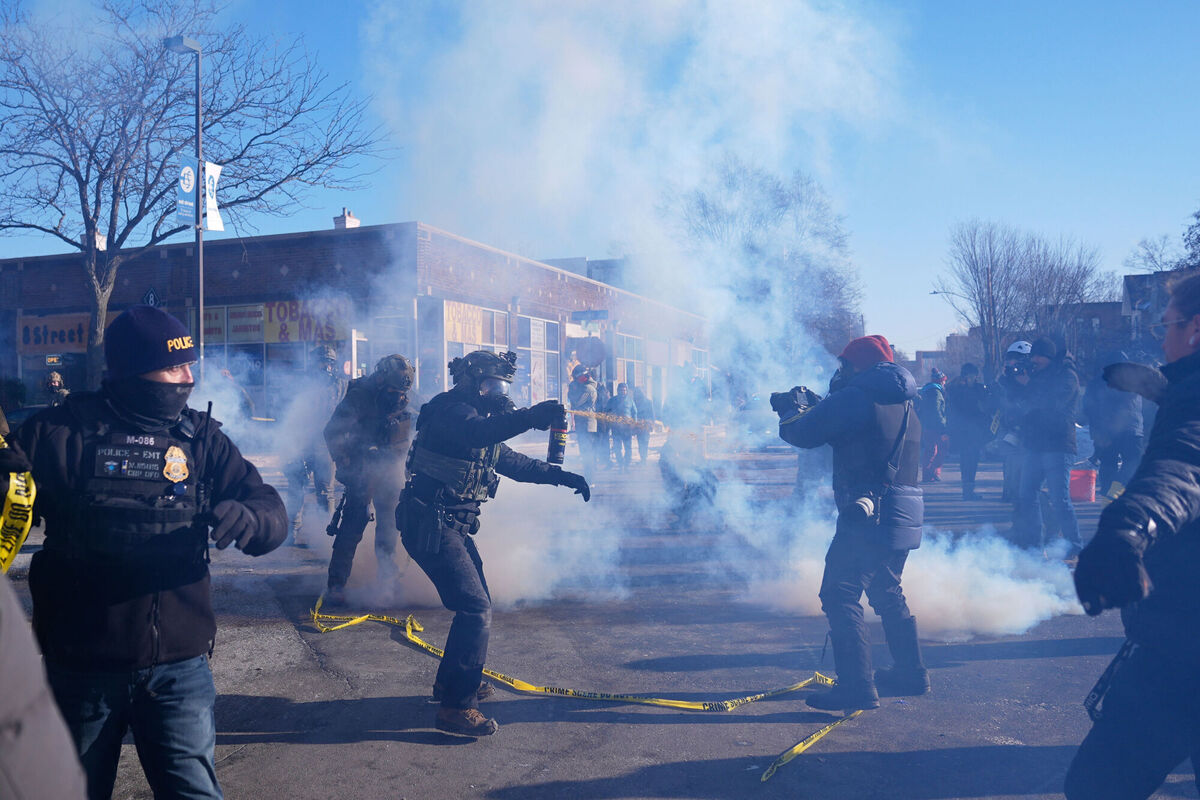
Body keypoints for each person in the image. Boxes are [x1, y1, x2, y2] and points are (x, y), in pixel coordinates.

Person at [16, 305, 287, 800]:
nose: (188, 379)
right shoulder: (56, 435)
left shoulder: (202, 440)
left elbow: (269, 508)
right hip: (81, 668)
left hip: (178, 669)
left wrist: (251, 518)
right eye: (175, 368)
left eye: (190, 367)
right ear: (134, 372)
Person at [397, 350, 590, 736]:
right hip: (432, 524)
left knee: (475, 604)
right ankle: (456, 708)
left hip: (448, 524)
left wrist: (563, 477)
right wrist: (530, 417)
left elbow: (511, 461)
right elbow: (478, 433)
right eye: (492, 385)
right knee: (474, 608)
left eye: (502, 386)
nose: (498, 393)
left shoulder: (477, 421)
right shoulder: (452, 413)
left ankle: (450, 684)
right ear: (472, 382)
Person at [1067, 272, 1200, 799]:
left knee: (1099, 787)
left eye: (1165, 325)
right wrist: (1167, 388)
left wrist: (1126, 526)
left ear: (1195, 329)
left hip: (1185, 645)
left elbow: (1187, 462)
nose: (1159, 337)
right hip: (1179, 639)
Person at [772, 334, 927, 711]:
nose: (838, 372)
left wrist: (791, 410)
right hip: (904, 514)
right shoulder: (905, 403)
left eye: (843, 365)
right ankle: (911, 672)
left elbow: (804, 434)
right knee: (887, 592)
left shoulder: (857, 396)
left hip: (868, 515)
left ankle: (856, 687)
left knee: (839, 594)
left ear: (857, 365)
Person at [323, 354, 416, 605]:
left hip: (391, 469)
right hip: (363, 470)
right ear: (381, 378)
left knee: (389, 526)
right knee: (352, 526)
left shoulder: (403, 395)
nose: (397, 396)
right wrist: (346, 463)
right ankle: (336, 585)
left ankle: (387, 581)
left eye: (400, 392)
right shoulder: (359, 397)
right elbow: (332, 431)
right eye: (392, 390)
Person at [1013, 336, 1084, 556]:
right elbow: (1024, 406)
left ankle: (1075, 546)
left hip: (1058, 444)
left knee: (1059, 499)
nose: (1034, 360)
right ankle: (1035, 544)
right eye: (1032, 356)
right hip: (1035, 444)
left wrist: (1030, 384)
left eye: (1038, 356)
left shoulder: (1067, 376)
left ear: (1049, 357)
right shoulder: (1038, 376)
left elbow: (1052, 405)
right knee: (1027, 494)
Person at [283, 344, 348, 546]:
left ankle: (325, 535)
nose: (325, 367)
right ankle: (291, 532)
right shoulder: (301, 385)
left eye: (329, 362)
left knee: (325, 492)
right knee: (296, 487)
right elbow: (290, 415)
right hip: (302, 443)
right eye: (322, 362)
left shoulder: (341, 386)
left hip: (326, 446)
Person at [1082, 350, 1145, 500]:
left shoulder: (1097, 382)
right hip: (1128, 430)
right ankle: (1114, 492)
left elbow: (1087, 407)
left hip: (1113, 431)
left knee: (1112, 465)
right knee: (1130, 463)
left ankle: (1111, 495)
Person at [947, 363, 992, 500]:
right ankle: (967, 492)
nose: (971, 378)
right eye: (968, 375)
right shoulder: (957, 389)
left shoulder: (979, 389)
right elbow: (954, 407)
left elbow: (986, 407)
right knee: (967, 461)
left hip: (975, 431)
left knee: (972, 461)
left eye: (973, 375)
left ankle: (968, 491)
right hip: (963, 431)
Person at [994, 341, 1032, 502]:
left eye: (1015, 359)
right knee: (1011, 464)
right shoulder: (1005, 380)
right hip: (1009, 430)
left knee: (1026, 471)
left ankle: (1022, 499)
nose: (1011, 363)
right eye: (1009, 359)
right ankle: (1010, 493)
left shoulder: (1033, 379)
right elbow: (1000, 402)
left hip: (1028, 431)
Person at [917, 368, 948, 482]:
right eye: (944, 380)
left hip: (926, 425)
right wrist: (942, 426)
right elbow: (937, 410)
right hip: (936, 426)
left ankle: (928, 475)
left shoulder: (927, 391)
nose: (945, 383)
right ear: (940, 381)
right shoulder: (936, 392)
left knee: (930, 450)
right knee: (942, 448)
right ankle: (933, 472)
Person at [567, 364, 599, 473]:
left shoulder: (587, 388)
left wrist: (572, 391)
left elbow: (577, 402)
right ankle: (589, 473)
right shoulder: (585, 386)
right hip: (585, 424)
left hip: (587, 425)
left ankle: (589, 475)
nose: (575, 381)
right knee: (587, 450)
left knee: (586, 451)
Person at [606, 382, 637, 469]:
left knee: (628, 448)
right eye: (621, 390)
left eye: (624, 390)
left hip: (627, 428)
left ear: (626, 391)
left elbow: (635, 413)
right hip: (616, 428)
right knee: (617, 448)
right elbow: (607, 411)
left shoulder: (630, 400)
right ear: (617, 390)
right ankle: (620, 464)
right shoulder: (612, 400)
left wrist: (634, 424)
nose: (622, 391)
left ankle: (626, 465)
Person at [632, 386, 655, 463]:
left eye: (639, 392)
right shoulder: (634, 402)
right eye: (636, 392)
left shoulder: (648, 402)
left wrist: (651, 425)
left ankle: (644, 458)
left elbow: (652, 414)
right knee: (640, 443)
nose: (638, 394)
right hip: (638, 425)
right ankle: (643, 458)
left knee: (645, 442)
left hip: (646, 425)